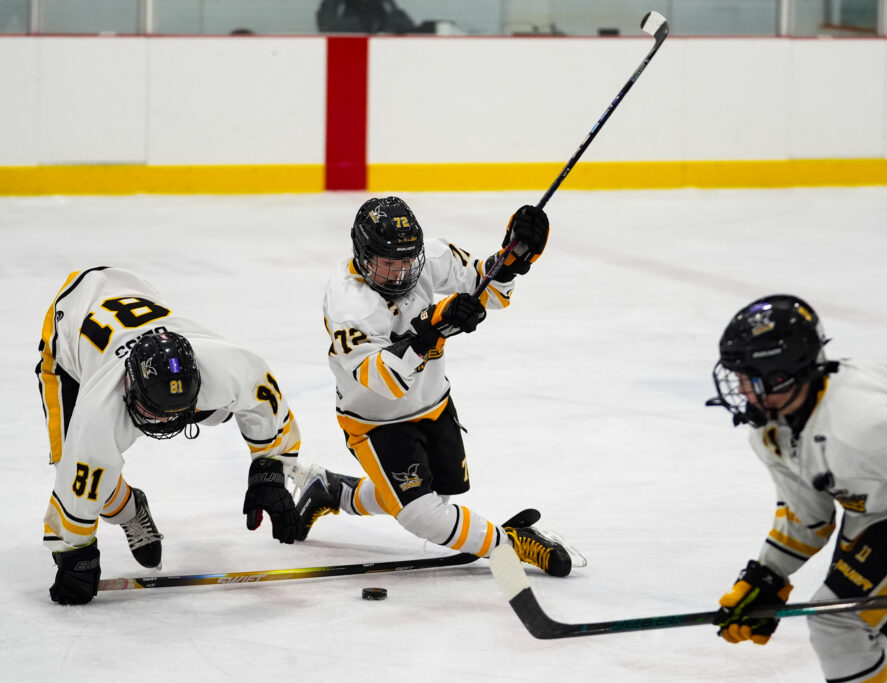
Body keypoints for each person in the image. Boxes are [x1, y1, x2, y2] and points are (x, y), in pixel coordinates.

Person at [706, 294, 887, 682]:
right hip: (875, 501)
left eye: (749, 379)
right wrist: (767, 577)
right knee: (838, 623)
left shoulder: (863, 419)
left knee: (840, 625)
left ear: (783, 376)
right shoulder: (772, 429)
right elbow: (807, 516)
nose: (741, 391)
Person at [294, 196, 571, 577]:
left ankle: (333, 491)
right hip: (376, 421)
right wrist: (435, 324)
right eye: (389, 264)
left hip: (434, 403)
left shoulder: (426, 256)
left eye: (408, 261)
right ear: (361, 253)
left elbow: (485, 288)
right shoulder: (349, 303)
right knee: (424, 516)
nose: (401, 274)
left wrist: (511, 260)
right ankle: (512, 543)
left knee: (434, 498)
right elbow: (380, 380)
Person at [37, 267, 304, 605]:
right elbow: (74, 490)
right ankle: (129, 509)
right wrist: (77, 554)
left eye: (175, 413)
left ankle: (169, 410)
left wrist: (269, 472)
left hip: (133, 291)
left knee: (211, 409)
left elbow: (266, 402)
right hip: (67, 342)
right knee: (78, 470)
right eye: (154, 414)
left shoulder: (224, 366)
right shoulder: (100, 412)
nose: (165, 424)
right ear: (129, 388)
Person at [316, 0, 416, 34]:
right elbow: (325, 24)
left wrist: (382, 24)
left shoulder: (383, 3)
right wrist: (359, 24)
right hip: (346, 49)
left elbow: (402, 22)